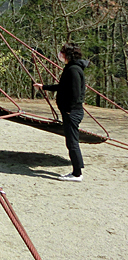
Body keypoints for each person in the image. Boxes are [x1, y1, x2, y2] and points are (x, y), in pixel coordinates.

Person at [32, 43, 89, 182]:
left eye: (62, 52)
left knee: (72, 142)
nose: (60, 55)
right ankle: (77, 170)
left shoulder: (74, 70)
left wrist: (69, 109)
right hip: (70, 111)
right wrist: (44, 87)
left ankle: (77, 174)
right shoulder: (70, 68)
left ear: (68, 55)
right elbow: (62, 87)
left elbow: (75, 93)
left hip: (72, 111)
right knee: (71, 141)